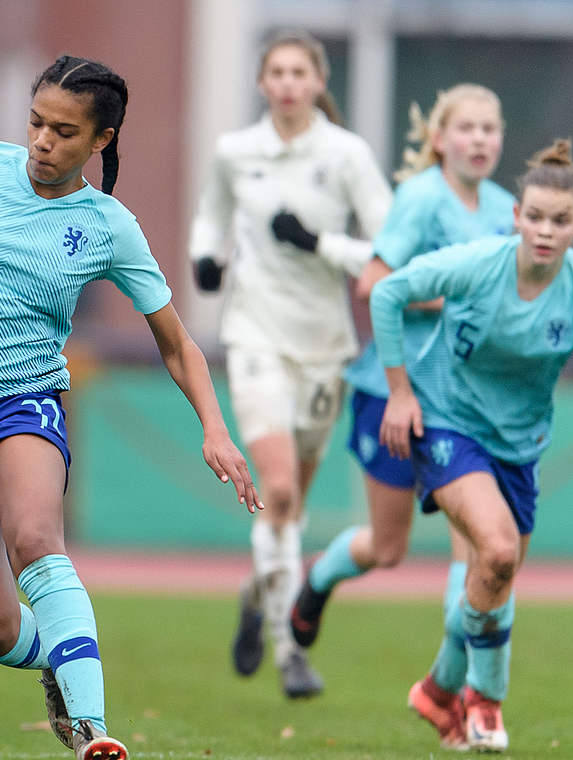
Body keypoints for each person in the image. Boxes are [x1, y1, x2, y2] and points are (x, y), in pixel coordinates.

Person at [0, 55, 261, 760]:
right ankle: (52, 658)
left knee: (36, 541)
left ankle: (92, 730)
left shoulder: (108, 226)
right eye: (36, 123)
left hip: (22, 399)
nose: (42, 141)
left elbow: (177, 342)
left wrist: (214, 429)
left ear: (99, 141)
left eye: (64, 132)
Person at [373, 139, 573, 752]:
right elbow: (387, 293)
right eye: (535, 216)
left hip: (520, 447)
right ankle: (485, 703)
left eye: (560, 221)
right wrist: (400, 393)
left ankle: (438, 690)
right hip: (447, 424)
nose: (545, 230)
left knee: (495, 576)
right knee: (495, 547)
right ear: (516, 217)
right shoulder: (476, 263)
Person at [187, 30, 390, 698]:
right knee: (276, 492)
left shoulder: (347, 155)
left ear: (318, 79)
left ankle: (256, 592)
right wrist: (206, 261)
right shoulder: (235, 153)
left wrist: (318, 242)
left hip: (325, 344)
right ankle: (289, 651)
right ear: (261, 81)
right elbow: (209, 219)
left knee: (289, 505)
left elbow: (389, 251)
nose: (288, 83)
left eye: (300, 71)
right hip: (254, 335)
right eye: (276, 71)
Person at [290, 85, 515, 662]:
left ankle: (456, 683)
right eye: (467, 128)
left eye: (490, 129)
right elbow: (374, 283)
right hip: (393, 393)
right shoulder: (419, 198)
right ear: (440, 140)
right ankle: (317, 581)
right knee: (388, 548)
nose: (480, 139)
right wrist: (447, 301)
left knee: (474, 545)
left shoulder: (501, 211)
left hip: (462, 403)